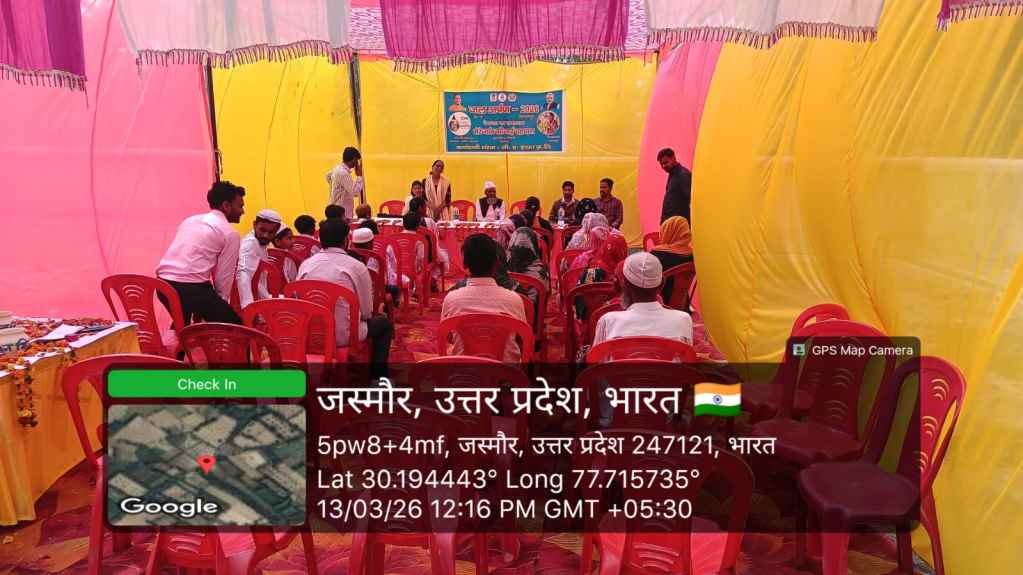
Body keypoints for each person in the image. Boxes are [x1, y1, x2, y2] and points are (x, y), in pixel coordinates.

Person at [296, 219, 394, 378]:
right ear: (346, 240)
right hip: (345, 335)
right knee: (384, 325)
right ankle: (377, 378)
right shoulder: (357, 267)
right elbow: (367, 312)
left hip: (310, 332)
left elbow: (298, 302)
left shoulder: (306, 265)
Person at [156, 181, 245, 324]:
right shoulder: (230, 234)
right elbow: (223, 279)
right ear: (226, 206)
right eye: (240, 206)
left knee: (183, 327)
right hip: (190, 289)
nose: (243, 211)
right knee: (235, 326)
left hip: (162, 286)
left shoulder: (190, 220)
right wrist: (220, 310)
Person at [441, 233, 528, 362]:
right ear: (496, 264)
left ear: (464, 264)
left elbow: (448, 337)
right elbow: (521, 338)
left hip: (463, 372)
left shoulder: (451, 299)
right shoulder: (514, 300)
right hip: (506, 372)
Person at [593, 252, 693, 346]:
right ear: (662, 284)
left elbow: (597, 357)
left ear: (624, 285)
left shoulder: (608, 322)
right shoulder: (683, 320)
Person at [236, 208, 282, 309]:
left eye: (271, 232)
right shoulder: (251, 243)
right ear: (254, 225)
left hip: (258, 298)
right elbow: (243, 273)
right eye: (262, 230)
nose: (266, 235)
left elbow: (258, 282)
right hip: (248, 303)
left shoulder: (260, 243)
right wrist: (248, 307)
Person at [351, 227, 401, 306]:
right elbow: (383, 281)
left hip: (353, 294)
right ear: (370, 244)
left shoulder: (348, 257)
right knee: (394, 289)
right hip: (373, 295)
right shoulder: (376, 260)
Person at [650, 216, 694, 302]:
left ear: (667, 232)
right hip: (682, 302)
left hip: (659, 302)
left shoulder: (658, 255)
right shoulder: (692, 255)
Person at [658, 148, 693, 225]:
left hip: (679, 224)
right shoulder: (673, 175)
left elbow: (692, 199)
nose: (664, 166)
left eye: (666, 162)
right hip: (671, 224)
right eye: (661, 164)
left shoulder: (682, 175)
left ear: (673, 158)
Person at [327, 146, 364, 218]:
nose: (357, 163)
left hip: (337, 208)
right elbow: (355, 192)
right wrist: (359, 176)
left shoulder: (337, 168)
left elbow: (328, 176)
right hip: (341, 212)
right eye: (356, 160)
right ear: (354, 159)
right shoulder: (343, 173)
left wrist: (336, 188)